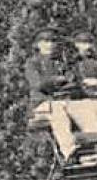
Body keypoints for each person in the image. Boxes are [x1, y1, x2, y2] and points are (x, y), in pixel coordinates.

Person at [24, 27, 81, 158]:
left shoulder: (61, 63)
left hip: (64, 102)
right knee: (57, 110)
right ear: (38, 44)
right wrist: (57, 80)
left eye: (53, 42)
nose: (50, 45)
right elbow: (37, 84)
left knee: (88, 108)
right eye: (46, 41)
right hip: (41, 106)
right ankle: (69, 151)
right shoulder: (33, 63)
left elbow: (73, 82)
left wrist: (70, 83)